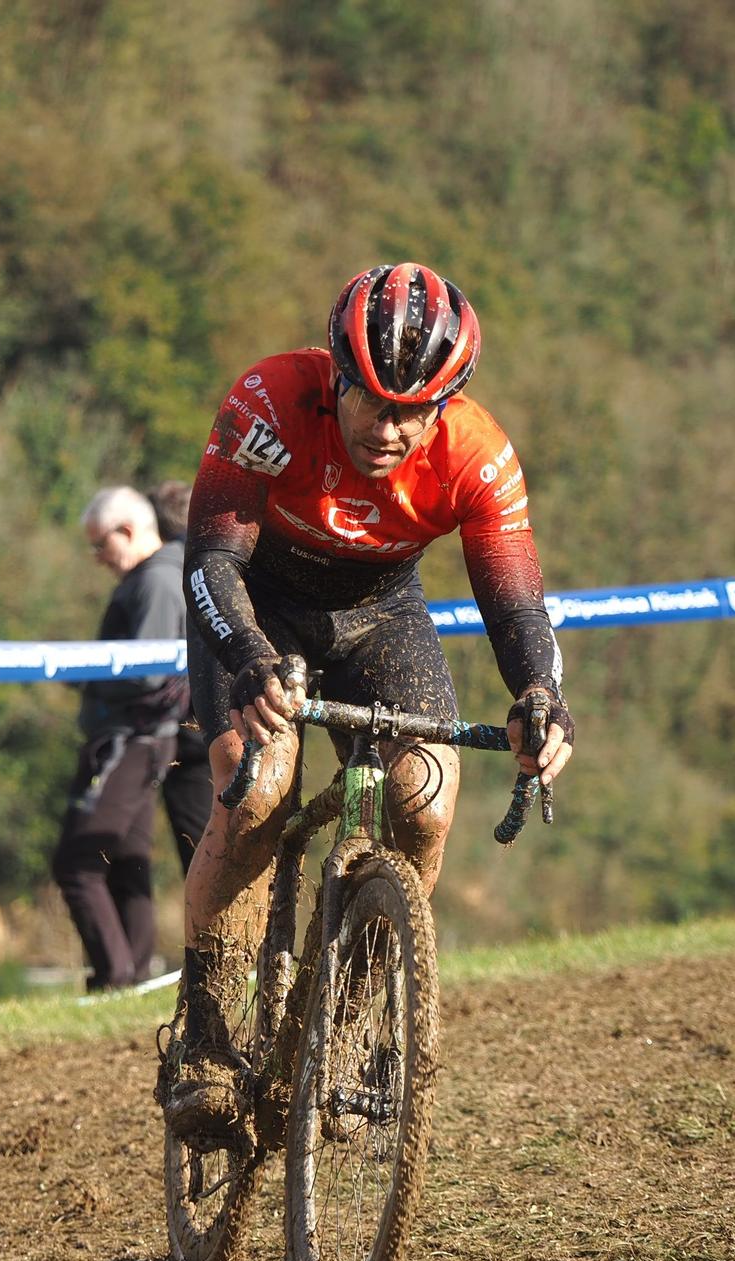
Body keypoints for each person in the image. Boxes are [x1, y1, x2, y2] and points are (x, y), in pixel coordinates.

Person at [161, 262, 576, 1138]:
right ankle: (204, 1034)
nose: (389, 430)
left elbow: (515, 606)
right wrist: (248, 659)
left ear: (445, 404)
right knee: (257, 791)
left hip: (379, 614)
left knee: (426, 797)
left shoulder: (476, 453)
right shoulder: (272, 403)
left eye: (413, 411)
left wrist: (540, 696)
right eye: (373, 403)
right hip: (256, 607)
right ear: (338, 377)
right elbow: (210, 563)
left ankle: (348, 1024)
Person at [52, 486, 194, 990]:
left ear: (129, 531)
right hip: (142, 740)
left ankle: (113, 978)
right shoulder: (154, 577)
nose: (97, 558)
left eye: (101, 545)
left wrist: (81, 672)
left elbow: (148, 672)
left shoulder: (155, 580)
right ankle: (132, 977)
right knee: (126, 863)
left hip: (130, 741)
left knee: (77, 864)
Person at [146, 479, 213, 882]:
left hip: (191, 729)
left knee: (202, 854)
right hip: (244, 711)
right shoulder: (231, 554)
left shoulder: (167, 569)